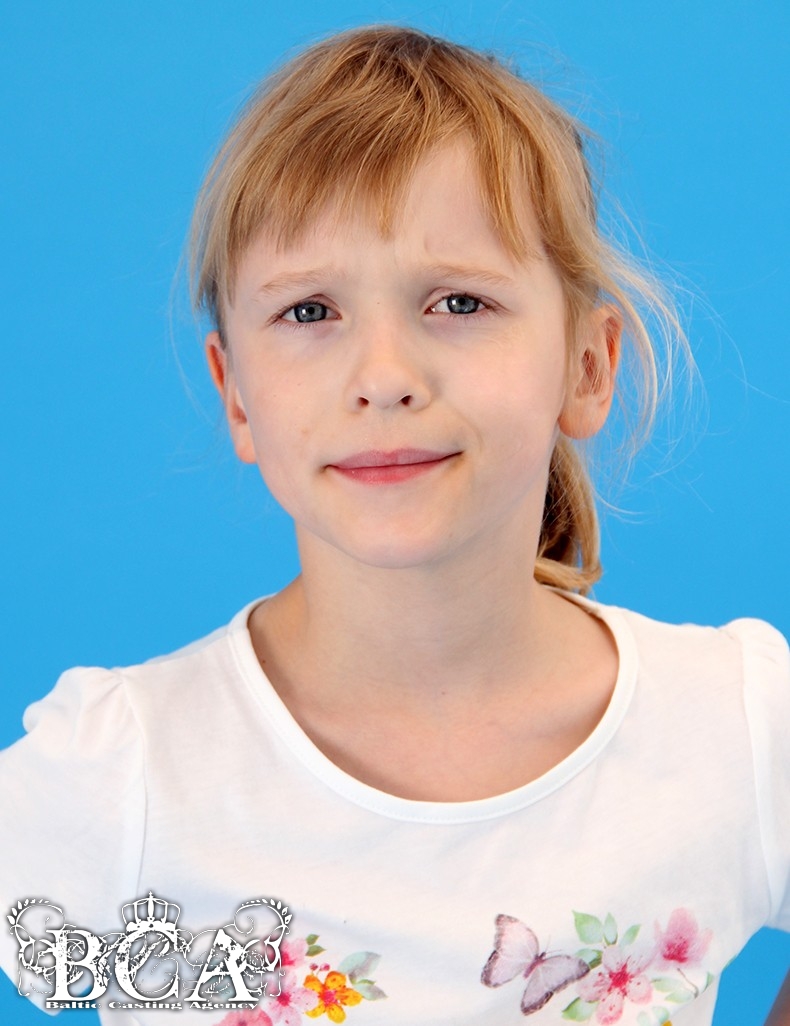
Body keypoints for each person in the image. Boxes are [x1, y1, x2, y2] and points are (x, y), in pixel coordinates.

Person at [1, 25, 788, 1026]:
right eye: (308, 312)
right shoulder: (126, 770)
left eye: (458, 301)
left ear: (587, 367)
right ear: (235, 394)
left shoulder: (734, 725)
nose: (383, 377)